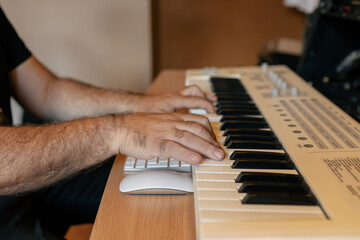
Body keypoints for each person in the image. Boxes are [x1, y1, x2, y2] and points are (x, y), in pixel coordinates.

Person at [0, 7, 224, 239]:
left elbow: (47, 92)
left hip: (24, 188)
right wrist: (117, 131)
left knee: (183, 190)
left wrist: (143, 104)